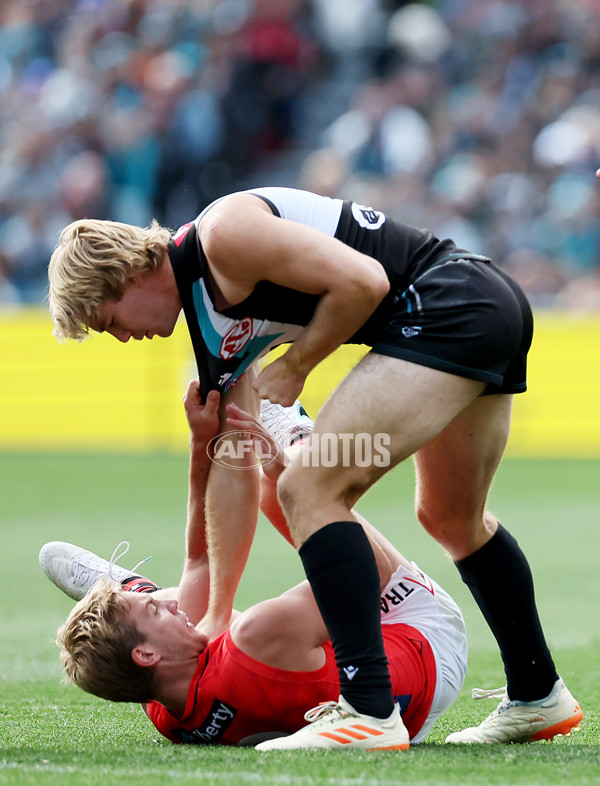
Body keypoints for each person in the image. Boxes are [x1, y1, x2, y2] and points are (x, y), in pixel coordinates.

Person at [47, 185, 582, 746]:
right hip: (474, 309)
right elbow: (235, 472)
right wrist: (216, 613)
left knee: (307, 487)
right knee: (450, 518)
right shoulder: (212, 339)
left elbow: (364, 282)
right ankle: (537, 694)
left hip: (449, 303)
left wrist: (298, 365)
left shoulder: (222, 237)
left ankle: (368, 710)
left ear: (127, 275)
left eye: (108, 322)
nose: (123, 338)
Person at [44, 388, 469, 751]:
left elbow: (199, 559)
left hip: (408, 712)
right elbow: (367, 573)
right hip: (425, 640)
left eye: (153, 603)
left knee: (200, 608)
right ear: (146, 654)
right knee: (284, 492)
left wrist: (201, 444)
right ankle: (300, 439)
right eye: (154, 608)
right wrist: (287, 469)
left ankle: (126, 588)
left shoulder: (161, 705)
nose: (168, 607)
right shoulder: (256, 637)